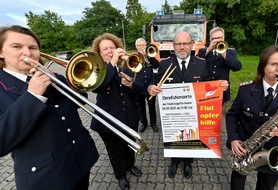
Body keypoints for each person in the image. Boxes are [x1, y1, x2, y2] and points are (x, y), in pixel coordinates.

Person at [0, 25, 99, 190]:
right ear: (1, 52)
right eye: (17, 46)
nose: (28, 53)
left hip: (81, 160)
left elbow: (81, 101)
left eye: (33, 48)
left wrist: (62, 83)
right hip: (47, 177)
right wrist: (32, 95)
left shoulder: (51, 77)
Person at [225, 44, 278, 190]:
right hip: (244, 147)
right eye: (274, 64)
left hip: (276, 152)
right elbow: (232, 115)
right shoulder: (245, 89)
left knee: (266, 186)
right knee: (238, 177)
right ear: (263, 65)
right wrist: (233, 139)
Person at [148, 31, 229, 179]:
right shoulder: (165, 63)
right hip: (173, 114)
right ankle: (174, 161)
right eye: (178, 44)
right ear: (173, 46)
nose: (182, 47)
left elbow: (209, 84)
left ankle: (188, 163)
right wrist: (151, 87)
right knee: (174, 137)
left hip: (194, 113)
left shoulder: (202, 63)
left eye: (185, 43)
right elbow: (154, 81)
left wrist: (221, 86)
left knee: (191, 138)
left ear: (192, 45)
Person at [90, 33, 144, 190]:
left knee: (130, 145)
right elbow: (97, 88)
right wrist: (112, 63)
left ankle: (130, 166)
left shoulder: (128, 63)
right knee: (115, 152)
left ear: (117, 48)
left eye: (112, 47)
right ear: (99, 53)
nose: (109, 51)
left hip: (130, 116)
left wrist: (131, 84)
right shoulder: (95, 68)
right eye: (105, 49)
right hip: (108, 121)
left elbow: (141, 89)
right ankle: (120, 175)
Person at [197, 26, 242, 104]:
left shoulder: (230, 52)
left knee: (217, 113)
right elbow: (195, 64)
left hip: (221, 89)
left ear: (223, 38)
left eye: (219, 38)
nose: (217, 40)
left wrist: (224, 54)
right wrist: (208, 50)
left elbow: (237, 67)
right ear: (210, 40)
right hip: (204, 89)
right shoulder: (203, 51)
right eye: (214, 38)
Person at [135, 38, 160, 133]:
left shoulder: (150, 56)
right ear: (136, 47)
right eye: (139, 45)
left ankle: (153, 123)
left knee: (152, 106)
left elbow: (157, 65)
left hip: (151, 85)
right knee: (141, 106)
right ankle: (144, 123)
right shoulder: (134, 57)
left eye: (143, 45)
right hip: (139, 86)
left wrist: (148, 56)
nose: (141, 47)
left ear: (146, 46)